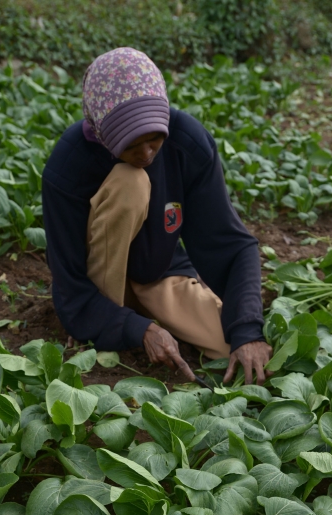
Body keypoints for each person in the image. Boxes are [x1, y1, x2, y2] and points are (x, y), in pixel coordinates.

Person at [42, 47, 271, 384]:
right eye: (133, 143)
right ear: (104, 132)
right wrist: (137, 329)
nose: (147, 153)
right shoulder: (68, 166)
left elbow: (232, 244)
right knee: (130, 181)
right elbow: (71, 284)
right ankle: (104, 322)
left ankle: (139, 313)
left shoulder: (187, 142)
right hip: (98, 286)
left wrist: (249, 331)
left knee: (229, 348)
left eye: (155, 139)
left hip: (157, 275)